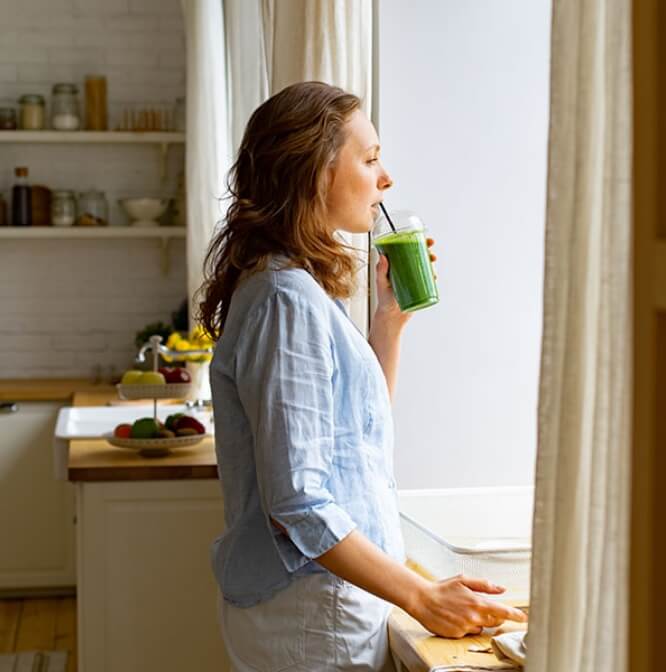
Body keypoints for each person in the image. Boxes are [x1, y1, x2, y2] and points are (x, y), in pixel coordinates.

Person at [198, 81, 527, 672]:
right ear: (314, 171)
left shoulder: (292, 288)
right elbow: (296, 501)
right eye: (370, 158)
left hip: (321, 607)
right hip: (311, 616)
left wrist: (388, 320)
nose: (386, 178)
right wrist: (420, 595)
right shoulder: (284, 299)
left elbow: (355, 439)